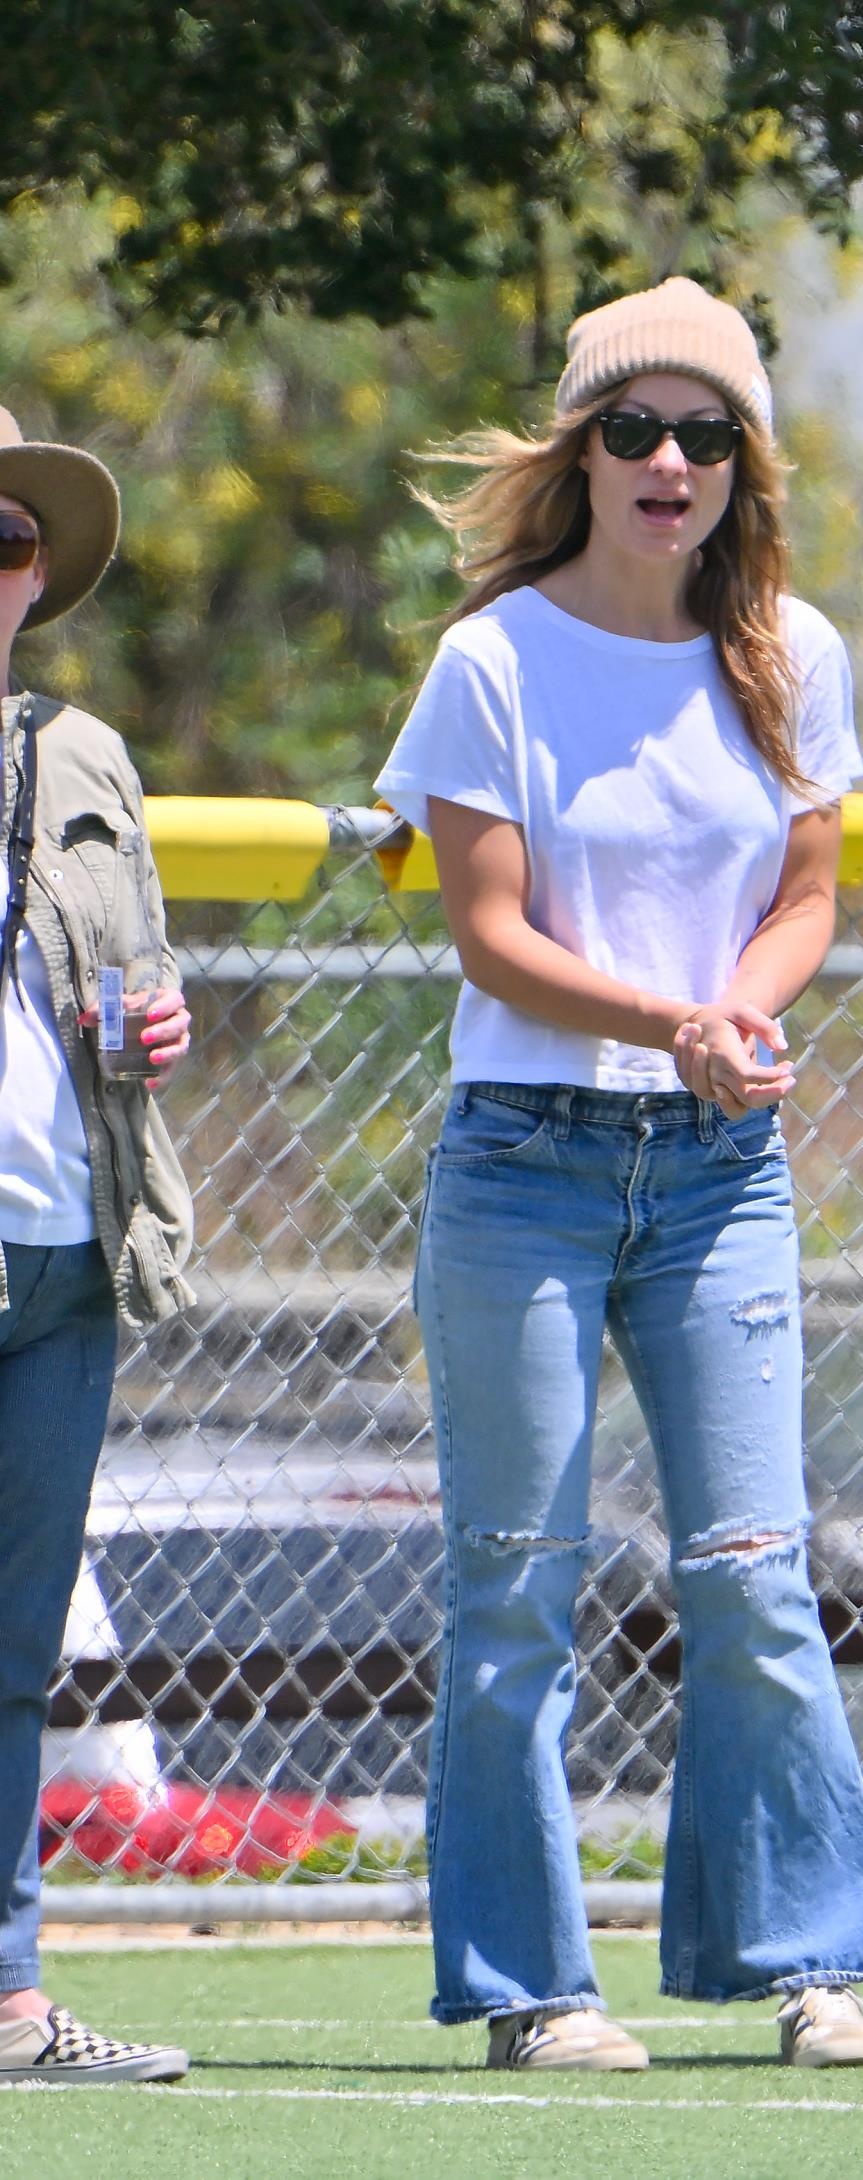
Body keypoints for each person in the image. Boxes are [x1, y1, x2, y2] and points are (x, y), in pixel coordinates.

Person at [375, 279, 863, 2072]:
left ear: (742, 465)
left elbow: (811, 893)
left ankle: (810, 1965)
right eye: (631, 430)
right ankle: (534, 1993)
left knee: (753, 1569)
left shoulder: (791, 649)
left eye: (704, 435)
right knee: (514, 1578)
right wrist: (675, 1015)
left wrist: (737, 1020)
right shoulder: (494, 660)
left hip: (719, 1164)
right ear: (577, 453)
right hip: (526, 1155)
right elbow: (495, 939)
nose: (667, 463)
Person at [0, 407, 195, 2084]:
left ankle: (3, 1992)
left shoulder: (84, 753)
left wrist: (153, 1026)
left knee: (13, 1650)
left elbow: (128, 984)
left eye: (5, 539)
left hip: (63, 1251)